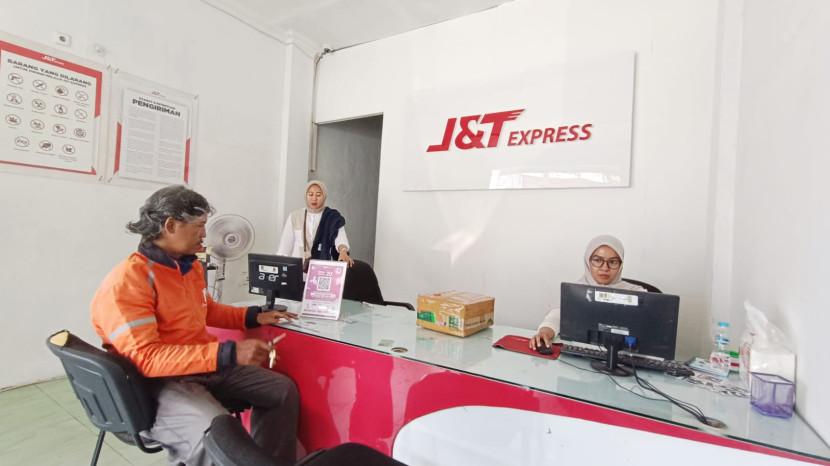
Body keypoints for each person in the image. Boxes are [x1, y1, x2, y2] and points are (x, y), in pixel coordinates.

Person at [90, 185, 299, 466]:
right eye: (199, 226)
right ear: (170, 225)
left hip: (201, 367)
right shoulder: (128, 281)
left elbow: (206, 309)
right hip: (157, 382)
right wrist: (228, 353)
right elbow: (147, 358)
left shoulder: (188, 268)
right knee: (216, 432)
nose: (204, 234)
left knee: (280, 390)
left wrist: (252, 316)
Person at [529, 234, 646, 350]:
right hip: (581, 353)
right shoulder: (576, 291)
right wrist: (545, 332)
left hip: (623, 354)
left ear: (620, 264)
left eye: (613, 262)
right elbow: (558, 315)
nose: (605, 268)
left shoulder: (637, 293)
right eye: (597, 260)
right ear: (588, 261)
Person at [277, 180, 354, 267]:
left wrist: (343, 251)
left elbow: (340, 238)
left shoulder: (332, 217)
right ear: (306, 196)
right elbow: (284, 248)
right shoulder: (295, 216)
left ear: (324, 196)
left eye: (318, 195)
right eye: (310, 194)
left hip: (322, 269)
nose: (314, 198)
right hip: (298, 269)